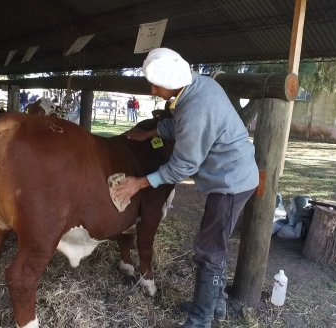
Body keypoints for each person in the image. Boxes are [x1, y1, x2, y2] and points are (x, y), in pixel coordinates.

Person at [111, 48, 259, 328]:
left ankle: (200, 320)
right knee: (216, 243)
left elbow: (183, 167)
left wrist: (139, 183)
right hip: (228, 175)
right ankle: (215, 305)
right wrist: (151, 132)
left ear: (171, 83)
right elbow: (179, 125)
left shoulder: (196, 108)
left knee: (208, 250)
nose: (153, 90)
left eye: (156, 85)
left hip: (230, 182)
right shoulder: (197, 87)